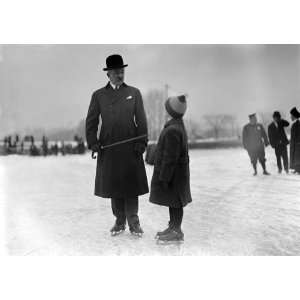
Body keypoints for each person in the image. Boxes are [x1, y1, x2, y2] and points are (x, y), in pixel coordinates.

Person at [86, 54, 148, 237]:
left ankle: (134, 223)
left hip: (131, 149)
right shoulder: (98, 96)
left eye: (122, 71)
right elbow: (91, 122)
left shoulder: (134, 93)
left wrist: (141, 142)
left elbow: (142, 121)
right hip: (109, 149)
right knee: (114, 187)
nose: (120, 75)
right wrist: (93, 143)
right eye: (116, 72)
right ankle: (119, 221)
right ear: (108, 75)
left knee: (131, 187)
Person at [149, 95, 192, 243]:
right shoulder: (177, 126)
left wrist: (165, 177)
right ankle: (173, 226)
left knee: (175, 202)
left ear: (171, 111)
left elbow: (170, 157)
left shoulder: (173, 129)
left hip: (174, 175)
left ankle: (176, 230)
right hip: (177, 174)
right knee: (173, 201)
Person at [289, 107, 300, 174]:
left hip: (297, 144)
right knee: (295, 156)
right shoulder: (295, 124)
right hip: (294, 144)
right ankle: (296, 169)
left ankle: (298, 169)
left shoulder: (298, 124)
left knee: (297, 157)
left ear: (294, 116)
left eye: (291, 116)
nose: (290, 117)